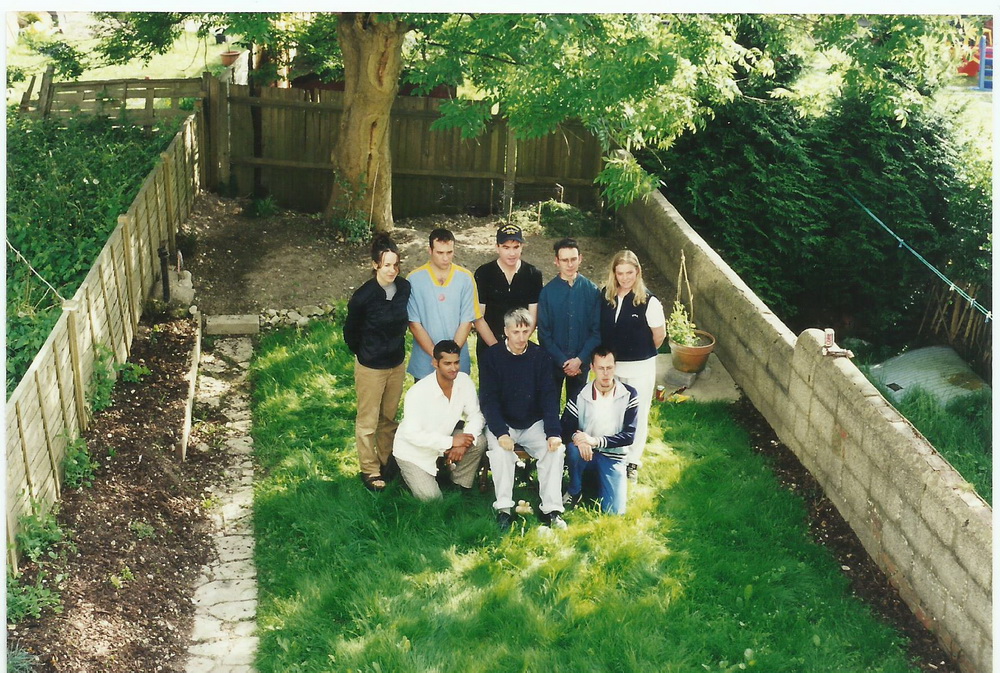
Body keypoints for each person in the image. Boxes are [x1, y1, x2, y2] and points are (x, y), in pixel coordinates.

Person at [480, 308, 566, 531]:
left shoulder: (541, 356)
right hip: (504, 422)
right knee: (500, 452)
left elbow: (549, 396)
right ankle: (504, 509)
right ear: (505, 331)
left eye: (525, 331)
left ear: (531, 331)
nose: (520, 337)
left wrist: (553, 432)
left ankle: (552, 510)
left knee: (555, 451)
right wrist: (501, 432)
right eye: (515, 332)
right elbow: (488, 400)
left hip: (532, 422)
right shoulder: (492, 357)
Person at [343, 235, 412, 491]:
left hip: (396, 364)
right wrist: (366, 353)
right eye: (386, 265)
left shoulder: (404, 288)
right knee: (368, 422)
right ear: (375, 265)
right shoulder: (363, 297)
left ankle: (387, 463)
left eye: (396, 265)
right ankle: (370, 470)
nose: (392, 270)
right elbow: (351, 333)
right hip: (371, 367)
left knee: (389, 418)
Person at [600, 250, 666, 482]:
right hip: (613, 367)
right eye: (620, 273)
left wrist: (639, 351)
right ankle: (613, 454)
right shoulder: (606, 296)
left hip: (640, 368)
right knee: (613, 412)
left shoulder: (649, 301)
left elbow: (659, 336)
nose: (625, 278)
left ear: (637, 272)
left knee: (637, 413)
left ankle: (632, 461)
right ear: (614, 274)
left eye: (629, 273)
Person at [393, 340, 487, 500]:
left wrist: (463, 443)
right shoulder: (418, 392)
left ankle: (458, 484)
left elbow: (476, 415)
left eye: (456, 362)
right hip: (414, 453)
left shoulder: (464, 381)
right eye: (447, 363)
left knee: (479, 441)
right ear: (435, 363)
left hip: (444, 439)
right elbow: (412, 435)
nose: (454, 368)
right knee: (433, 501)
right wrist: (451, 442)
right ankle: (409, 474)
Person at [561, 346, 638, 514]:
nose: (605, 373)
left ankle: (596, 481)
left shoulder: (629, 394)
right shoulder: (580, 393)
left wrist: (595, 441)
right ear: (592, 367)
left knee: (614, 511)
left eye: (609, 367)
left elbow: (629, 436)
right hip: (585, 452)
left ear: (615, 367)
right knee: (573, 449)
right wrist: (578, 438)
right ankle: (574, 490)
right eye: (601, 368)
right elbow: (565, 427)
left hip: (613, 456)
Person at [406, 228, 482, 380]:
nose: (445, 258)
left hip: (457, 365)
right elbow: (414, 324)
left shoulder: (465, 278)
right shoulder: (413, 279)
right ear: (430, 250)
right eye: (440, 253)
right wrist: (437, 357)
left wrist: (451, 359)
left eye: (449, 252)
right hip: (425, 364)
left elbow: (467, 321)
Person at [537, 238, 602, 407]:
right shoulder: (547, 293)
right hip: (554, 362)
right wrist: (563, 361)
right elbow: (544, 334)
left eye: (573, 259)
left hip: (582, 363)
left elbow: (596, 331)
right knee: (550, 407)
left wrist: (579, 360)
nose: (570, 264)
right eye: (565, 260)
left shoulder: (592, 291)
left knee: (577, 409)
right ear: (556, 261)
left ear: (580, 258)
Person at [473, 223, 543, 364]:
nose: (512, 253)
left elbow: (533, 315)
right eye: (506, 247)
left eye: (516, 247)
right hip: (489, 346)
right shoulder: (484, 273)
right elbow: (479, 317)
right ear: (497, 247)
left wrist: (519, 343)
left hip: (521, 346)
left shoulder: (533, 274)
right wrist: (498, 349)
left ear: (522, 247)